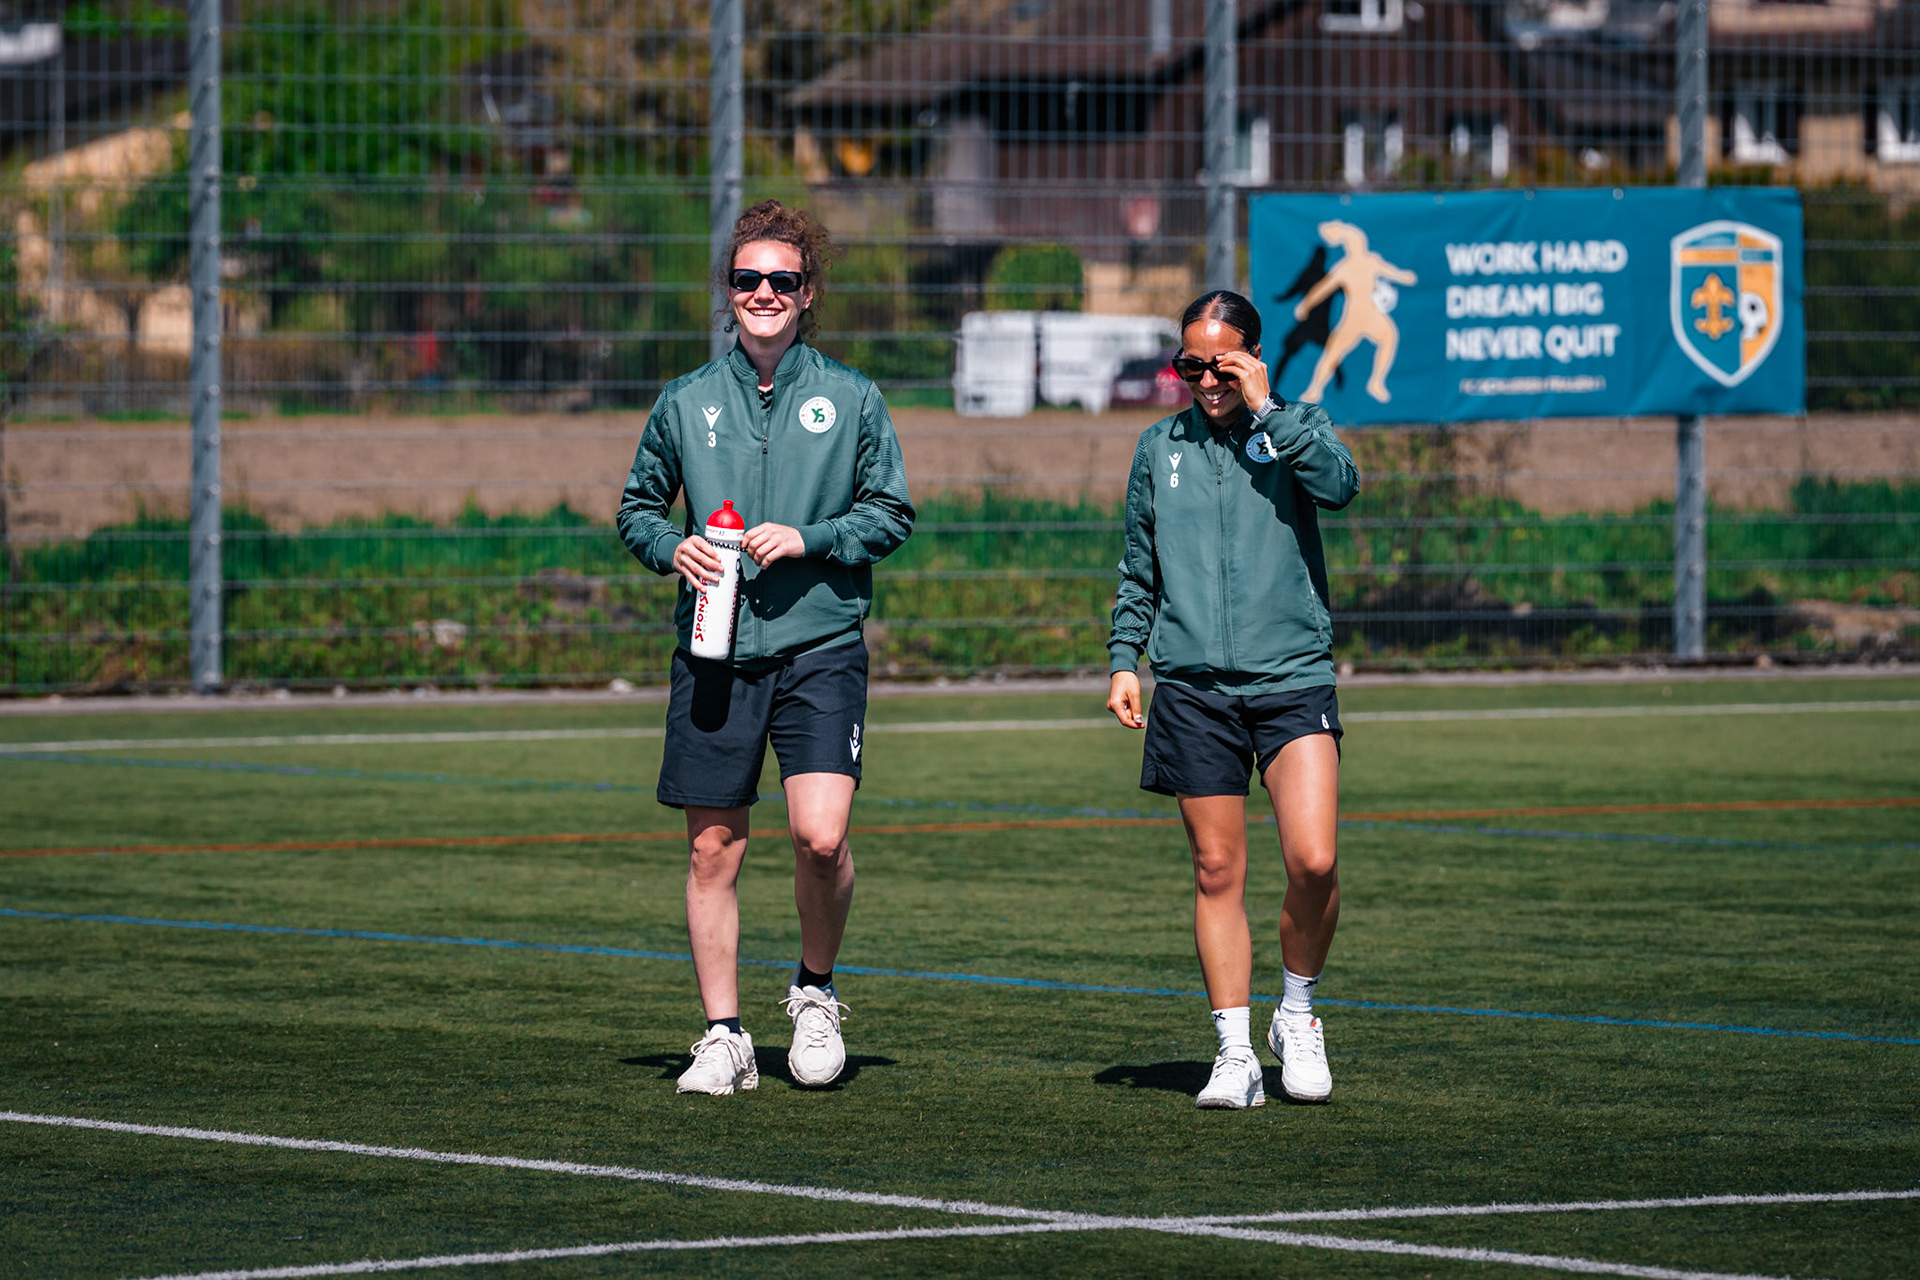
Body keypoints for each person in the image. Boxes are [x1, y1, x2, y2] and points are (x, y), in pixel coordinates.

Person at [617, 200, 914, 1095]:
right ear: (730, 290)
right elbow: (637, 509)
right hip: (713, 653)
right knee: (713, 850)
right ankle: (724, 1037)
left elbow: (890, 512)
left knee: (821, 838)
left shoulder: (853, 397)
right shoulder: (685, 401)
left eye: (782, 279)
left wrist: (811, 539)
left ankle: (815, 992)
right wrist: (672, 548)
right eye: (748, 279)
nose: (764, 293)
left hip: (820, 645)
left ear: (807, 292)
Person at [1106, 289, 1359, 1110]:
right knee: (1217, 869)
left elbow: (1340, 485)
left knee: (1313, 861)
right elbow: (1138, 567)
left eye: (1223, 366)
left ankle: (1298, 1011)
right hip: (1193, 690)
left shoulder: (1297, 426)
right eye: (1192, 367)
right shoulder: (1159, 447)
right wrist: (1124, 660)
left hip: (1291, 680)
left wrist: (1269, 411)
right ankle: (1235, 1052)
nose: (1207, 382)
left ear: (1252, 358)